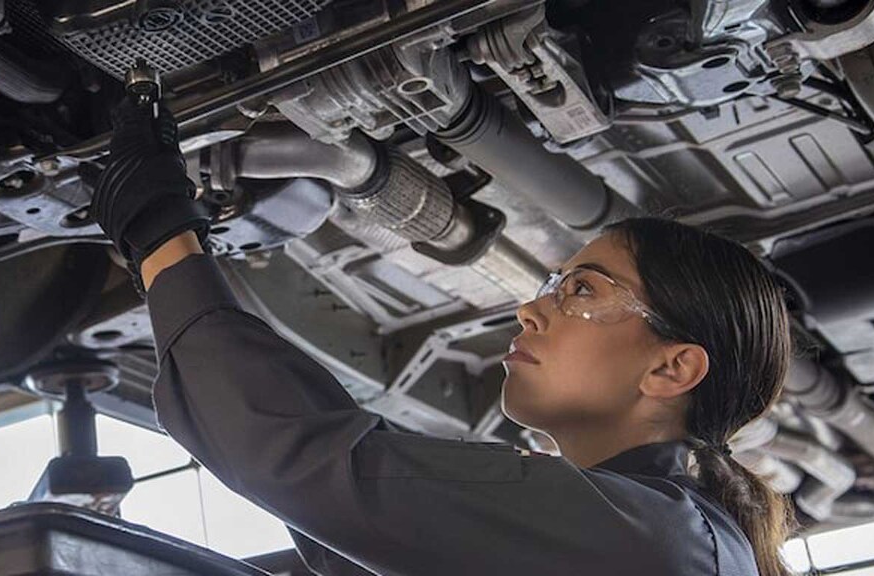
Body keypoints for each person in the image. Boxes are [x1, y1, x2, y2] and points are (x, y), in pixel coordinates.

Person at [90, 95, 797, 576]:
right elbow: (349, 517)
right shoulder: (657, 537)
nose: (531, 309)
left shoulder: (647, 536)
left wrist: (159, 230)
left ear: (672, 369)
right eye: (551, 284)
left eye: (582, 290)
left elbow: (311, 464)